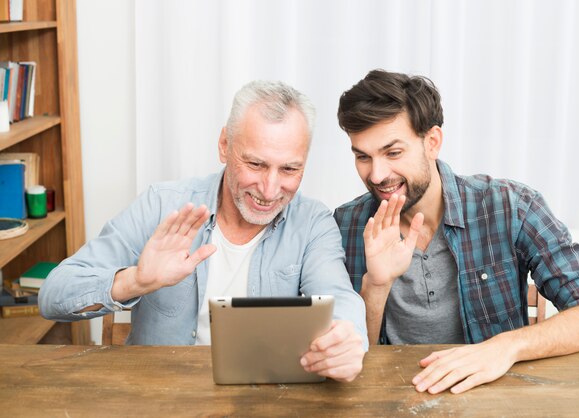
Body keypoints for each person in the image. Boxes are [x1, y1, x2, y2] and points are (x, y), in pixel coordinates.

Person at [40, 80, 367, 382]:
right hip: (159, 397)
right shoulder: (161, 205)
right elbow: (53, 295)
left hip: (265, 400)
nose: (269, 190)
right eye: (255, 164)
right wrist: (136, 281)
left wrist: (344, 339)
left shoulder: (312, 223)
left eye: (290, 169)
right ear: (225, 145)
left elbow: (339, 298)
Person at [333, 69, 579, 393]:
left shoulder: (509, 206)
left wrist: (505, 347)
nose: (376, 175)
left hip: (493, 399)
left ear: (432, 142)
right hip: (387, 400)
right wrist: (377, 285)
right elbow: (345, 361)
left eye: (393, 153)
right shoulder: (346, 224)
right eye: (363, 157)